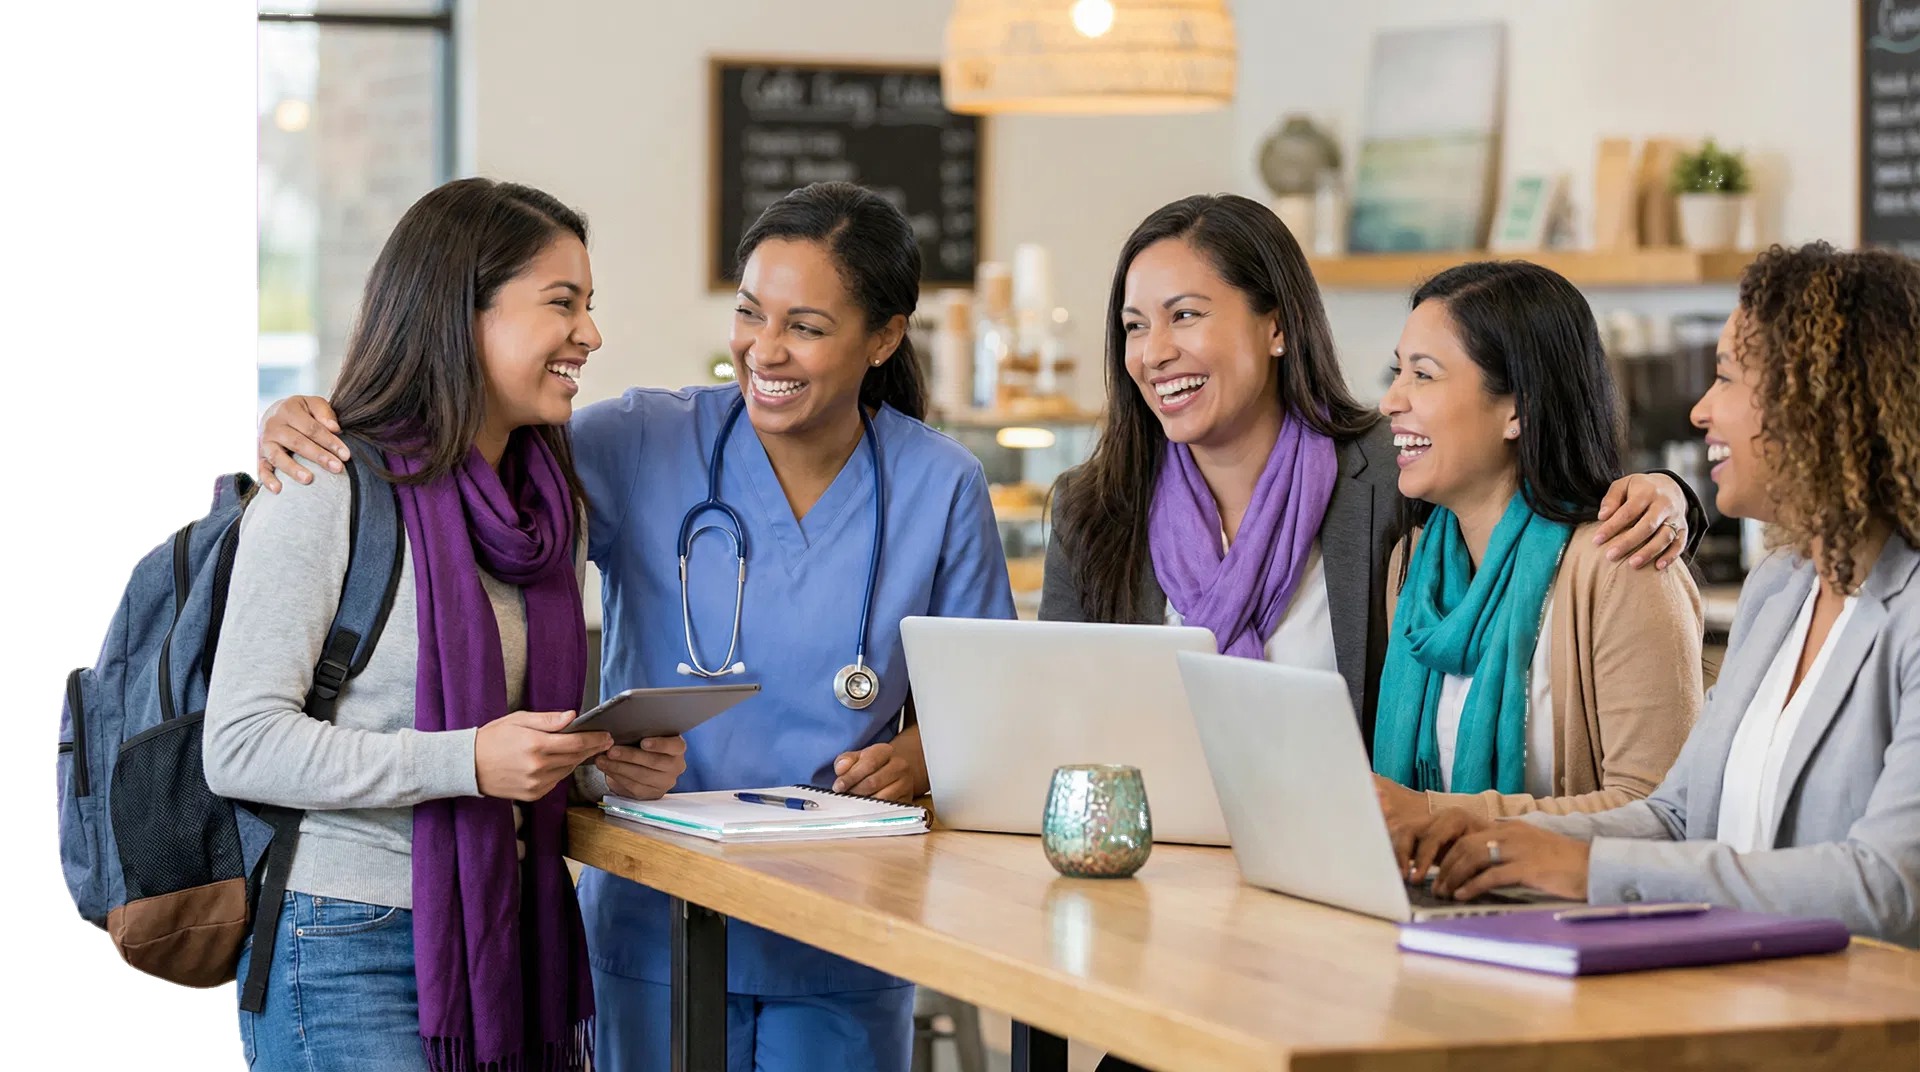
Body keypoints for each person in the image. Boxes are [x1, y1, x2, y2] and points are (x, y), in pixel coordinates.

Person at [254, 181, 1016, 1071]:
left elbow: (987, 698)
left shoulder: (941, 483)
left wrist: (923, 752)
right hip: (658, 906)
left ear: (883, 339)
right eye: (749, 313)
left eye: (806, 326)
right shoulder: (643, 440)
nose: (765, 349)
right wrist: (299, 418)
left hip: (845, 917)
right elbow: (454, 452)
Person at [1042, 194, 1704, 749]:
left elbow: (1536, 495)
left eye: (1184, 315)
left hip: (1352, 858)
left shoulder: (1391, 471)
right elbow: (1059, 722)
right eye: (1134, 327)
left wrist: (1671, 492)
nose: (1155, 352)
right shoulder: (1094, 508)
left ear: (1277, 326)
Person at [1399, 242, 1919, 948]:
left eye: (1728, 379)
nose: (1701, 411)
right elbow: (1678, 815)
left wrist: (1588, 869)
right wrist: (1492, 834)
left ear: (1821, 401)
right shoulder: (1783, 587)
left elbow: (1888, 887)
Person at [206, 178, 613, 1070]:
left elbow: (510, 746)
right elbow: (239, 743)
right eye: (562, 304)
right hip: (347, 940)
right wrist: (464, 761)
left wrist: (600, 767)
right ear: (461, 313)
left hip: (507, 932)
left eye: (589, 305)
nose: (590, 334)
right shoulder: (327, 484)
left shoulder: (547, 510)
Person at [1369, 261, 1704, 833]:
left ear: (1518, 409)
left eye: (1423, 376)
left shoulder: (1622, 564)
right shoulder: (1412, 566)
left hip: (1571, 913)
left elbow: (1663, 813)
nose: (1389, 401)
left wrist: (1436, 817)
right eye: (1397, 372)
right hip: (1434, 898)